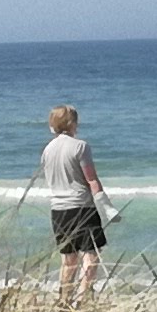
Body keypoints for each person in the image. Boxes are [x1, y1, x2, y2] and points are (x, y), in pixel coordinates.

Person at [37, 105, 111, 300]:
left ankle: (65, 297)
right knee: (90, 254)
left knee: (68, 257)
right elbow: (91, 179)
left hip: (58, 209)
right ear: (71, 123)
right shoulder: (80, 146)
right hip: (82, 206)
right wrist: (107, 207)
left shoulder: (47, 150)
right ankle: (84, 296)